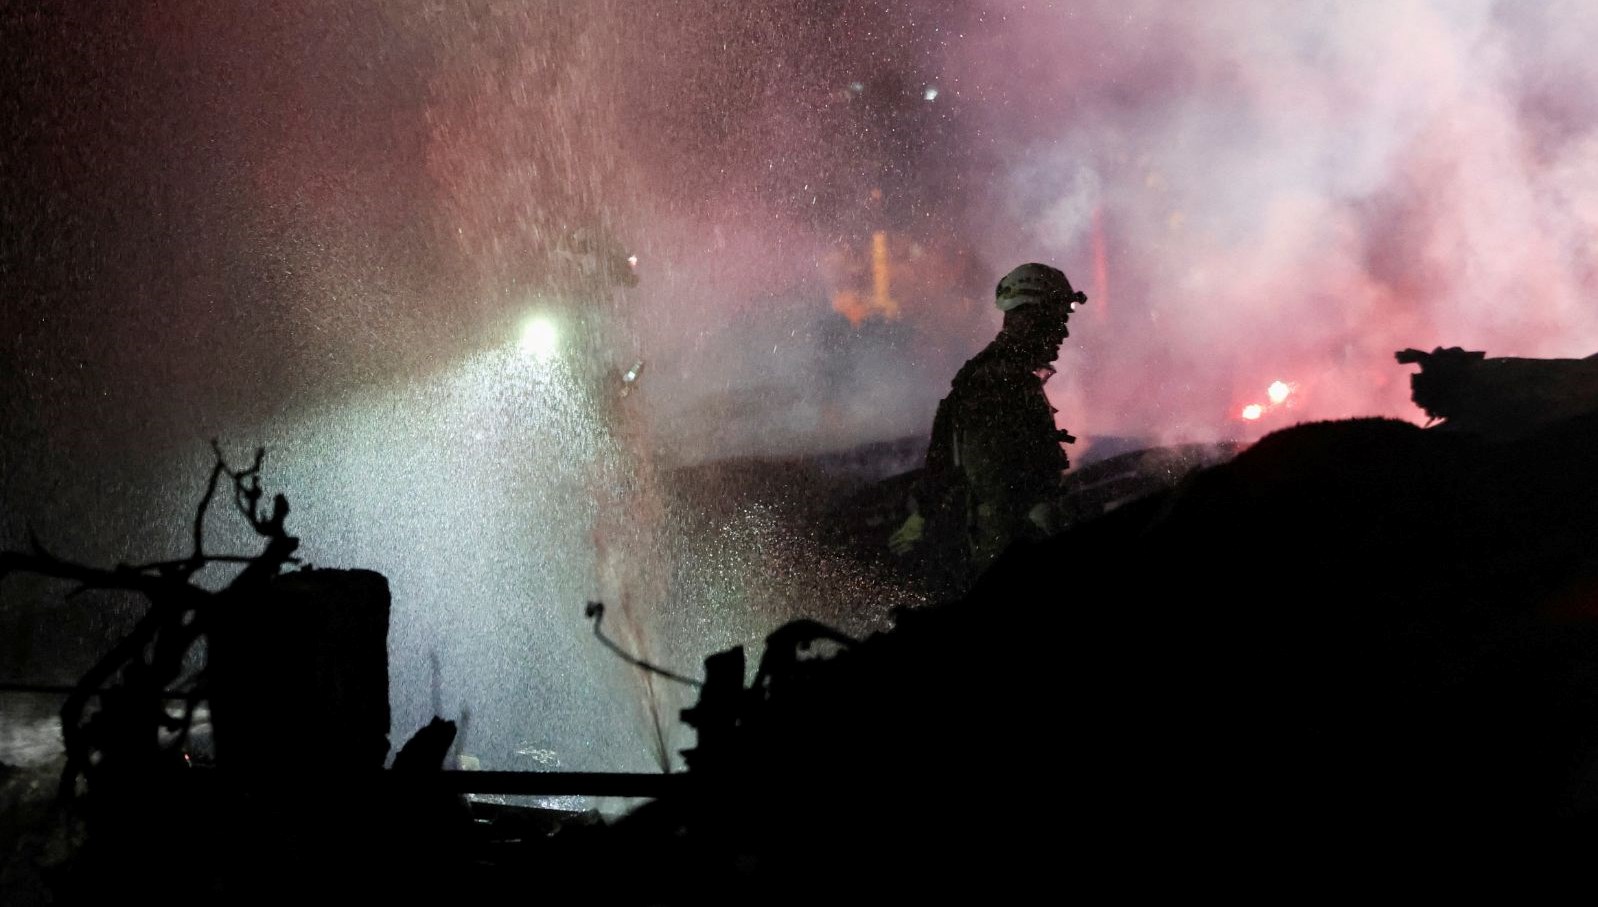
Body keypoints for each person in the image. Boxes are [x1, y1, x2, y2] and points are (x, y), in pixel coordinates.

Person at [890, 262, 1084, 596]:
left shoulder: (1008, 378)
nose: (1063, 333)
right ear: (1029, 318)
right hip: (1003, 568)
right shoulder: (995, 383)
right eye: (1056, 320)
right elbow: (996, 496)